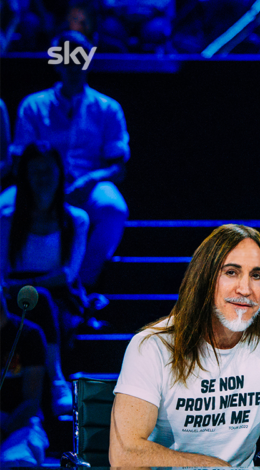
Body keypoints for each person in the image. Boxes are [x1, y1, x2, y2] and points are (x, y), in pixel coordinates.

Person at [110, 225, 260, 468]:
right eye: (231, 272)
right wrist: (212, 467)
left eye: (256, 275)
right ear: (204, 278)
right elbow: (125, 453)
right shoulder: (151, 346)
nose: (245, 289)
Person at [12, 31, 129, 287]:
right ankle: (9, 286)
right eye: (67, 57)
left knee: (113, 209)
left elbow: (118, 167)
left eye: (79, 57)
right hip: (40, 183)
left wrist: (89, 180)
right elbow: (20, 159)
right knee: (3, 208)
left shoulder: (108, 108)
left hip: (88, 184)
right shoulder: (33, 106)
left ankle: (81, 286)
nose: (73, 64)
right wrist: (47, 183)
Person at [1, 142, 90, 414]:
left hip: (58, 294)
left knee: (40, 300)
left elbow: (68, 273)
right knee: (32, 302)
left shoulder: (76, 219)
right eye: (35, 171)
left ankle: (55, 382)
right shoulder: (7, 220)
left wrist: (31, 287)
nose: (42, 178)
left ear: (60, 173)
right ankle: (53, 384)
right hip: (13, 291)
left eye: (48, 170)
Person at [1, 289, 50, 468]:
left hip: (19, 423)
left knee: (15, 462)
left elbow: (31, 402)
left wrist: (3, 430)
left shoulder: (28, 334)